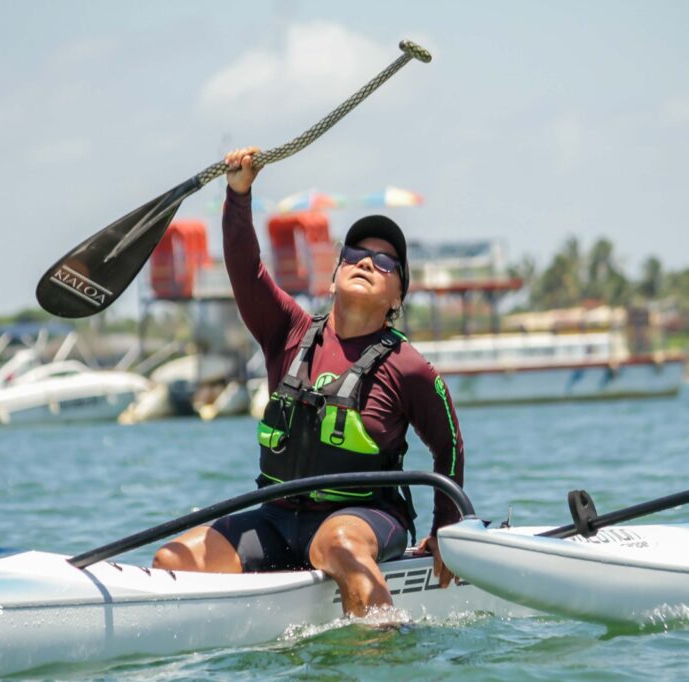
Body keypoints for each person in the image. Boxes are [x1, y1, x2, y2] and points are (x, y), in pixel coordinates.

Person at [153, 147, 465, 617]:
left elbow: (451, 448)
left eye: (385, 263)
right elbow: (245, 268)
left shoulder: (409, 367)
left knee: (339, 545)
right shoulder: (288, 331)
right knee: (172, 559)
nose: (367, 263)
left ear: (398, 295)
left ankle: (384, 649)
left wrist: (445, 531)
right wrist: (239, 195)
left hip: (364, 518)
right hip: (277, 519)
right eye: (356, 254)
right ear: (336, 274)